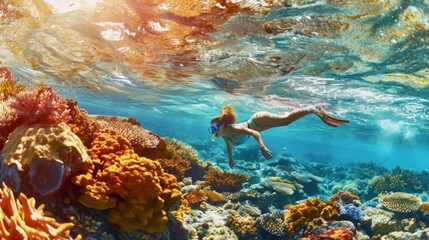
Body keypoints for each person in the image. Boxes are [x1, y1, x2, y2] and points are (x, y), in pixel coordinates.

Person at [208, 104, 349, 168]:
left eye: (214, 128)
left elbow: (254, 133)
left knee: (286, 120)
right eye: (211, 129)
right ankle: (295, 108)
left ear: (223, 126)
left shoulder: (234, 129)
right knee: (284, 119)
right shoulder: (225, 136)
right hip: (261, 125)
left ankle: (313, 109)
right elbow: (228, 145)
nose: (212, 131)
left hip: (258, 121)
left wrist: (262, 147)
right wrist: (231, 159)